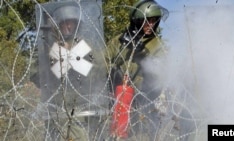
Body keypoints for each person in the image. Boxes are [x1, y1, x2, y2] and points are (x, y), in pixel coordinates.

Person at [34, 1, 109, 141]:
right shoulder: (51, 48)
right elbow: (44, 76)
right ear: (58, 25)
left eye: (71, 23)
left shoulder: (86, 45)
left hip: (82, 105)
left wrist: (71, 55)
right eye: (63, 23)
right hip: (57, 106)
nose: (67, 26)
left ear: (76, 24)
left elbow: (96, 72)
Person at [105, 0, 178, 140]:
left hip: (145, 105)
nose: (150, 24)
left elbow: (162, 72)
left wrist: (144, 57)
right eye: (147, 21)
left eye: (154, 20)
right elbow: (103, 63)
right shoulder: (118, 42)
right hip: (119, 103)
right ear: (137, 20)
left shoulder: (158, 45)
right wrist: (114, 72)